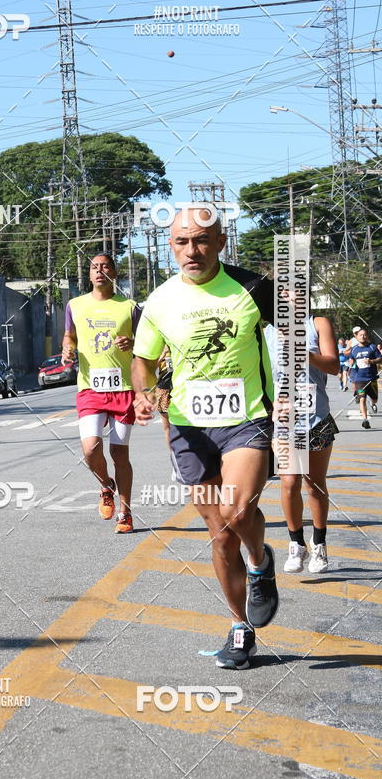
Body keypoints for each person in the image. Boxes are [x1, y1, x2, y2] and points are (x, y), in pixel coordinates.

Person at [132, 206, 278, 670]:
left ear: (220, 242)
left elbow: (295, 340)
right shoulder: (158, 301)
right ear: (170, 246)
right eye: (181, 242)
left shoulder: (254, 288)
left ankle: (259, 562)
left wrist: (291, 396)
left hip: (247, 416)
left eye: (201, 240)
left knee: (238, 511)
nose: (191, 251)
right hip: (187, 425)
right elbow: (144, 360)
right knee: (219, 535)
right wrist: (144, 392)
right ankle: (240, 628)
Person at [62, 253, 141, 533]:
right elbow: (69, 334)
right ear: (89, 274)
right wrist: (67, 347)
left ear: (114, 272)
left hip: (123, 389)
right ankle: (106, 485)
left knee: (120, 453)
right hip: (90, 388)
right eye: (94, 267)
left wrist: (132, 342)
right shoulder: (75, 305)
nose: (99, 271)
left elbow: (146, 344)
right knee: (90, 448)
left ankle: (126, 513)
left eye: (105, 266)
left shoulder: (129, 306)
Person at [277, 316, 340, 574]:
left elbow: (334, 365)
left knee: (314, 485)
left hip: (316, 416)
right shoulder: (267, 328)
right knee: (289, 483)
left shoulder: (317, 324)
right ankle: (296, 544)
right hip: (283, 419)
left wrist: (306, 354)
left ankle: (319, 542)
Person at [345, 328, 382, 429]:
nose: (363, 336)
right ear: (356, 337)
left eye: (365, 335)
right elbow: (351, 358)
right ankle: (365, 420)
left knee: (375, 398)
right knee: (362, 399)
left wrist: (371, 361)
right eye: (360, 335)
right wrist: (351, 361)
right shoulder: (354, 349)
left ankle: (373, 403)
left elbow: (380, 359)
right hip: (359, 379)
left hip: (372, 378)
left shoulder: (372, 347)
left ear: (367, 336)